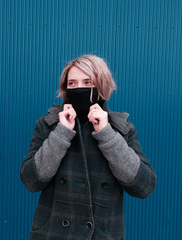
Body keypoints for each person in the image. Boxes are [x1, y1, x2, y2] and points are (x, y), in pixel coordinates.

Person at [20, 55, 157, 240]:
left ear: (101, 86)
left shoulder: (121, 129)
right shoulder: (48, 124)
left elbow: (144, 186)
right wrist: (62, 132)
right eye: (72, 83)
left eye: (87, 82)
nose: (79, 89)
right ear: (65, 88)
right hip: (53, 234)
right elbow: (31, 181)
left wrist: (106, 134)